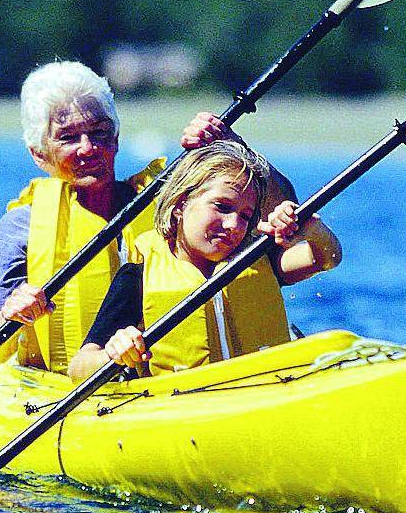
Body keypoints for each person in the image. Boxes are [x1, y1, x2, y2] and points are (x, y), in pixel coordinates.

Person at [0, 60, 296, 374]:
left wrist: (233, 147)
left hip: (169, 377)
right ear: (39, 153)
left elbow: (287, 210)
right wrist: (12, 315)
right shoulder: (20, 226)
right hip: (71, 383)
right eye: (69, 138)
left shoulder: (173, 200)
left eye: (99, 133)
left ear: (116, 138)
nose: (88, 148)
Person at [67, 140, 341, 380]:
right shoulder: (137, 278)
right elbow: (79, 366)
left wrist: (312, 230)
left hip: (265, 391)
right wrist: (114, 354)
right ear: (179, 205)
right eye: (222, 207)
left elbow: (327, 257)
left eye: (245, 216)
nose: (234, 224)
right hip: (185, 407)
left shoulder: (256, 259)